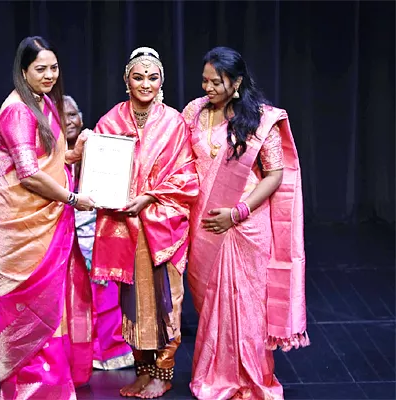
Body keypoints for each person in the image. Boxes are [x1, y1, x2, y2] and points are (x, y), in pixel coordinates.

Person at [182, 46, 309, 400]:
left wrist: (237, 212)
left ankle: (253, 379)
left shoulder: (258, 119)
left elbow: (275, 173)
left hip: (245, 225)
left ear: (236, 82)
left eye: (216, 82)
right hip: (205, 222)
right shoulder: (193, 111)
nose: (208, 88)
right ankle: (214, 375)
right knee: (211, 304)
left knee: (246, 306)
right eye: (205, 80)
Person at [71, 47, 199, 399]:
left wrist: (148, 197)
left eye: (152, 77)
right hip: (123, 226)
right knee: (131, 300)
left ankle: (163, 372)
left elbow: (187, 177)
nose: (145, 83)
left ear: (162, 82)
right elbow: (96, 170)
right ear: (126, 79)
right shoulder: (112, 120)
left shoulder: (173, 122)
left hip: (161, 223)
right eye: (138, 76)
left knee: (164, 301)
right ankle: (143, 371)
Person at [0, 36, 95, 400]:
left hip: (47, 220)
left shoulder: (44, 102)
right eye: (41, 69)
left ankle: (49, 388)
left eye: (54, 68)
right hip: (20, 227)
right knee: (27, 310)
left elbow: (51, 161)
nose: (50, 75)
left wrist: (78, 152)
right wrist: (73, 197)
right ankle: (29, 392)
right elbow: (29, 174)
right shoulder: (18, 110)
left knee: (50, 310)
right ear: (23, 71)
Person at [63, 95, 135, 371]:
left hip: (97, 232)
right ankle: (78, 352)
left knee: (105, 294)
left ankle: (108, 350)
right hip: (63, 235)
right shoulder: (50, 154)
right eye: (62, 115)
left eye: (74, 114)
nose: (69, 121)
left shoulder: (98, 147)